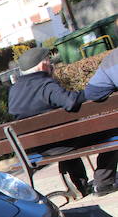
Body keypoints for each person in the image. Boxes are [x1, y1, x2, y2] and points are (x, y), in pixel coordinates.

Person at [8, 47, 117, 196]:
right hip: (61, 144)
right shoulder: (45, 85)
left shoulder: (14, 90)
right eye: (49, 61)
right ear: (42, 65)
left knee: (63, 137)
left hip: (34, 148)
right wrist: (88, 94)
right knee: (113, 132)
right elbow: (71, 102)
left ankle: (81, 186)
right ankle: (104, 182)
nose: (52, 64)